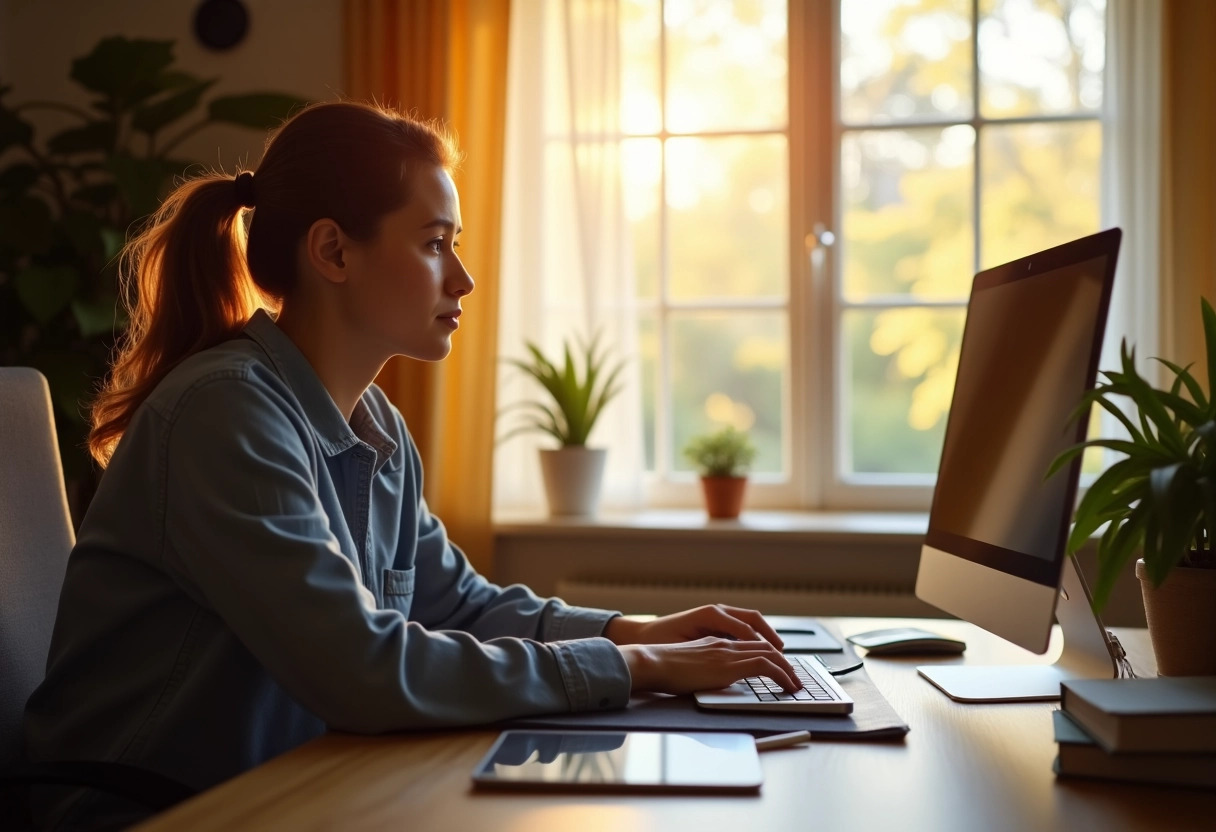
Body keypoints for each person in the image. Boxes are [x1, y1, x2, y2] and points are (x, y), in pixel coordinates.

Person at [22, 101, 799, 829]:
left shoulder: (373, 422)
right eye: (434, 244)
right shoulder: (224, 414)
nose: (460, 278)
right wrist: (634, 667)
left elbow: (454, 605)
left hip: (285, 791)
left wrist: (636, 631)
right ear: (332, 250)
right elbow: (362, 670)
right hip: (148, 813)